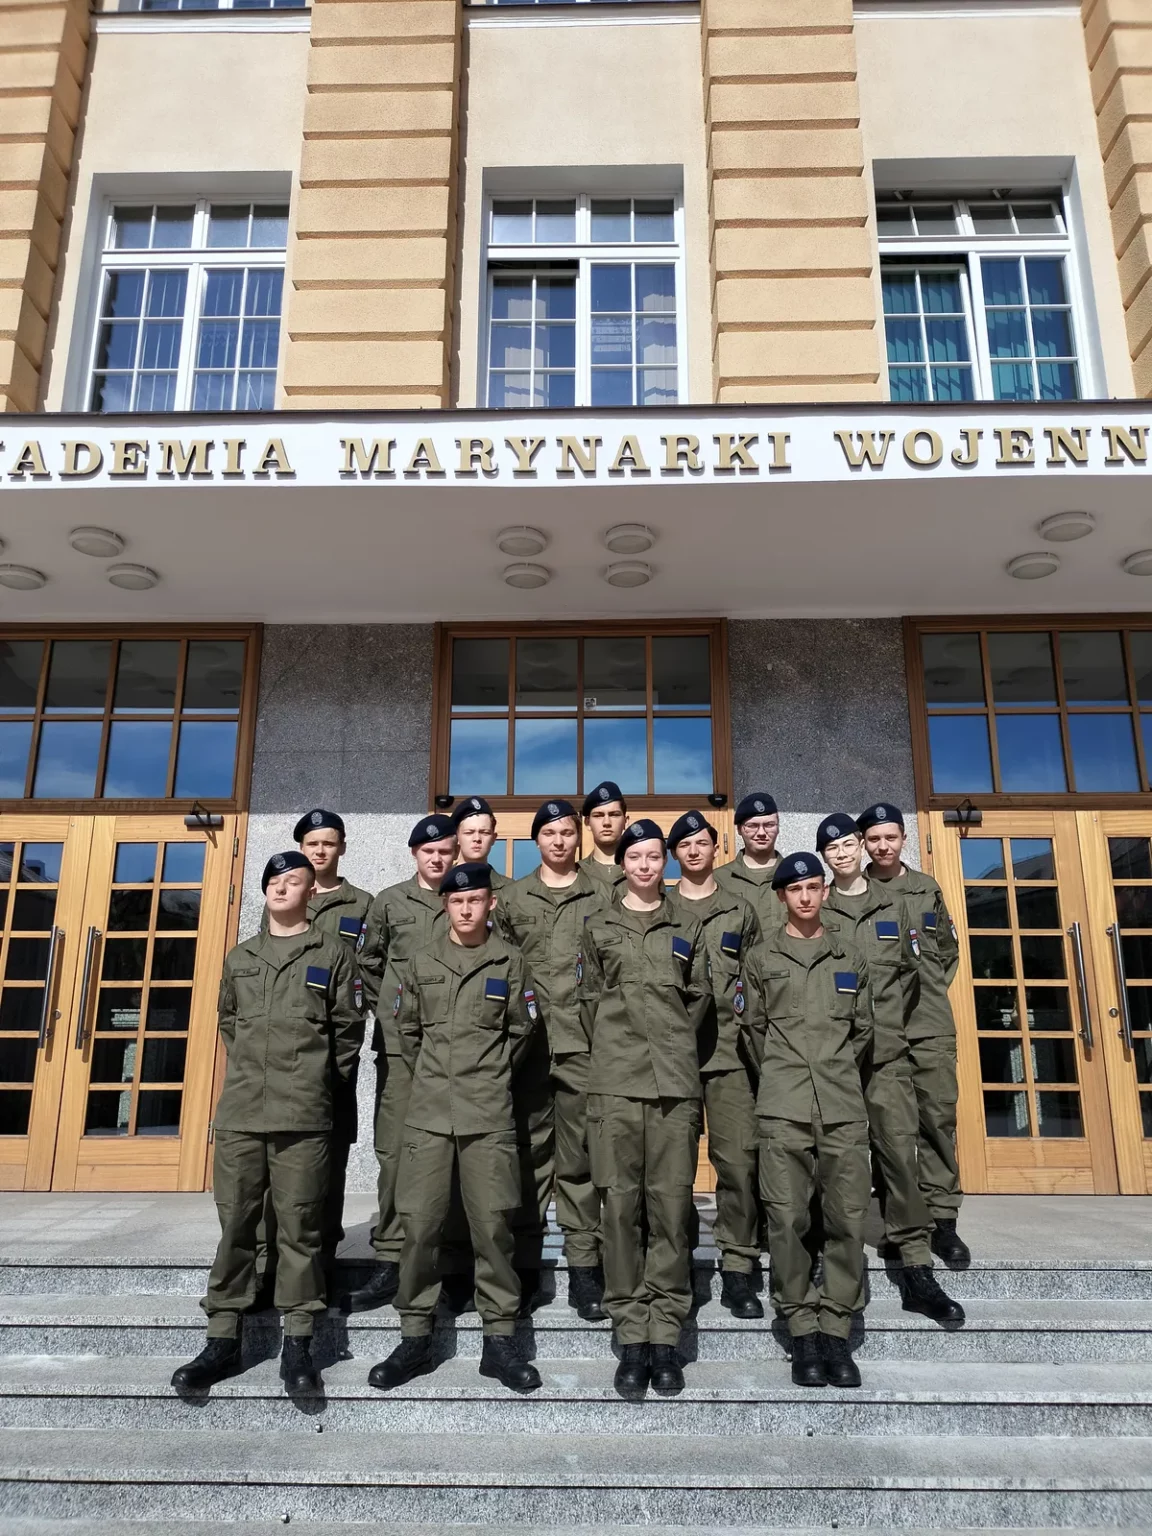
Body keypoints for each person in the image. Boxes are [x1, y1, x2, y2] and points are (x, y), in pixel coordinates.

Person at [171, 851, 364, 1394]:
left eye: (293, 880)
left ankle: (299, 1342)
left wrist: (313, 1084)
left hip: (304, 1115)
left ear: (311, 892)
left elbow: (347, 1033)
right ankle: (222, 1337)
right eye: (274, 880)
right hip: (242, 1113)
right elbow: (230, 1023)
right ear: (264, 891)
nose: (282, 887)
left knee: (300, 1227)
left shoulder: (333, 955)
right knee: (236, 1224)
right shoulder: (241, 957)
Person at [367, 862, 542, 1394]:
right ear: (446, 905)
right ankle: (415, 1336)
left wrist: (486, 1076)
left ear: (491, 904)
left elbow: (522, 1031)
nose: (466, 909)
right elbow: (407, 1032)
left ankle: (501, 1339)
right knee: (420, 1227)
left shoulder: (511, 962)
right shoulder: (420, 962)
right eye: (457, 901)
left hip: (487, 1114)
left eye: (476, 900)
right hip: (428, 1114)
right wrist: (438, 1078)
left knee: (493, 1227)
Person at [579, 818, 711, 1398]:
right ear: (623, 863)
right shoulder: (597, 925)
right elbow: (588, 1000)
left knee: (671, 1209)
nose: (644, 865)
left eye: (654, 856)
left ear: (666, 862)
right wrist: (621, 1048)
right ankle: (632, 1333)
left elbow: (700, 1000)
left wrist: (670, 1044)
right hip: (615, 1083)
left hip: (674, 1087)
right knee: (618, 1210)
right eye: (635, 857)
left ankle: (666, 1335)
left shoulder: (689, 925)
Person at [819, 815, 964, 1326]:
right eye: (832, 848)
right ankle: (829, 1263)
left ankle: (917, 1268)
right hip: (835, 1057)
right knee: (835, 1160)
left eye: (849, 844)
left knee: (900, 1152)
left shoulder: (896, 905)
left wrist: (888, 1027)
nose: (843, 853)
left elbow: (913, 974)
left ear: (860, 847)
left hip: (886, 1052)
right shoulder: (817, 907)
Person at [742, 851, 872, 1390]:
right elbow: (752, 1030)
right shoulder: (760, 958)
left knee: (847, 1219)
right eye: (794, 889)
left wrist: (832, 1072)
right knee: (787, 1219)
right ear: (781, 897)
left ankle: (836, 1329)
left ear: (824, 891)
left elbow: (862, 1031)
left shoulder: (850, 956)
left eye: (813, 887)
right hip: (783, 1106)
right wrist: (785, 1074)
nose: (805, 896)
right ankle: (801, 1329)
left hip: (841, 1107)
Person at [348, 814, 460, 1310]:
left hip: (456, 1051)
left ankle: (446, 1259)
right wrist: (393, 1008)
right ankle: (391, 1256)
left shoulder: (465, 899)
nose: (437, 859)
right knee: (395, 1153)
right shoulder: (390, 902)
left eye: (445, 852)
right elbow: (366, 962)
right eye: (428, 851)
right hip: (399, 1051)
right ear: (415, 853)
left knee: (454, 1155)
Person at [256, 809, 373, 1280]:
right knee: (273, 1162)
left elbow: (366, 976)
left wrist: (335, 1065)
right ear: (300, 848)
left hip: (330, 1057)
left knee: (330, 1155)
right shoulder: (280, 896)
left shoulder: (362, 904)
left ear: (341, 847)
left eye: (328, 843)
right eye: (311, 843)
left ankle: (322, 1255)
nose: (320, 850)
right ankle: (269, 1261)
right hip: (279, 1060)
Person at [502, 799, 607, 1321]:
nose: (559, 841)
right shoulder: (512, 898)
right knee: (528, 1154)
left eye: (567, 832)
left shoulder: (603, 893)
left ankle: (585, 1269)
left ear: (578, 836)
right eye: (549, 833)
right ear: (536, 840)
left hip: (583, 1044)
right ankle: (525, 1267)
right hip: (529, 1048)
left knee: (580, 1156)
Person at [857, 803, 970, 1268]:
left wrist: (927, 993)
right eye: (874, 839)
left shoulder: (927, 888)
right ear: (863, 843)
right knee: (889, 1131)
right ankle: (897, 1220)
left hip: (928, 1025)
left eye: (891, 837)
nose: (883, 846)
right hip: (880, 1031)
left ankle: (943, 1221)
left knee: (937, 1119)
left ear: (904, 838)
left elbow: (946, 951)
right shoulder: (853, 892)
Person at [452, 792, 552, 1305]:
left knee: (513, 1160)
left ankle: (514, 1263)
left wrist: (494, 1063)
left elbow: (514, 978)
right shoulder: (423, 894)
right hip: (440, 1072)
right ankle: (451, 1266)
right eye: (468, 830)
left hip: (500, 1062)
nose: (477, 838)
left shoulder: (509, 895)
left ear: (495, 837)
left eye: (484, 830)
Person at [666, 809, 763, 1319]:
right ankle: (676, 1263)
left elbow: (758, 980)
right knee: (673, 1169)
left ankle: (739, 1267)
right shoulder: (658, 908)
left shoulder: (740, 911)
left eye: (702, 842)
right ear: (674, 854)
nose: (694, 850)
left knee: (738, 1164)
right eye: (685, 845)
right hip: (673, 1058)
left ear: (715, 847)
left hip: (728, 1054)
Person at [715, 792, 784, 932]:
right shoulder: (719, 880)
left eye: (769, 825)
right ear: (739, 829)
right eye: (753, 825)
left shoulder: (795, 877)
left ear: (778, 828)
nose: (761, 833)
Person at [579, 781, 628, 899]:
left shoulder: (641, 871)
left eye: (614, 815)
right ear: (587, 823)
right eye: (598, 815)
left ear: (625, 822)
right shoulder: (576, 873)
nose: (606, 822)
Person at [451, 796, 510, 893]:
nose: (477, 839)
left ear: (493, 838)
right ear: (457, 837)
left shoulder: (511, 890)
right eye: (469, 833)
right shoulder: (439, 883)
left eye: (484, 832)